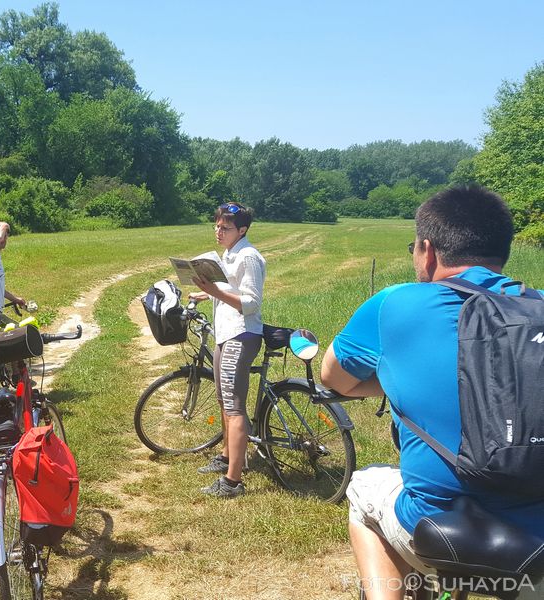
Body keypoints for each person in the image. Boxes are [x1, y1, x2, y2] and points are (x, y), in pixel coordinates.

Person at [320, 186, 544, 600]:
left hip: (446, 532)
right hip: (538, 547)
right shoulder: (538, 306)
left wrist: (390, 376)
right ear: (503, 251)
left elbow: (334, 378)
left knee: (364, 486)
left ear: (427, 251)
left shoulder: (394, 303)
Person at [188, 202, 266, 498]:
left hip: (241, 334)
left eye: (225, 228)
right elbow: (232, 290)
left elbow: (251, 303)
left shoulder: (248, 257)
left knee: (234, 407)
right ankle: (226, 455)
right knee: (224, 401)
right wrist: (206, 294)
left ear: (242, 230)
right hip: (226, 333)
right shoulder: (230, 254)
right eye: (217, 226)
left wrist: (214, 291)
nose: (218, 232)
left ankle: (233, 481)